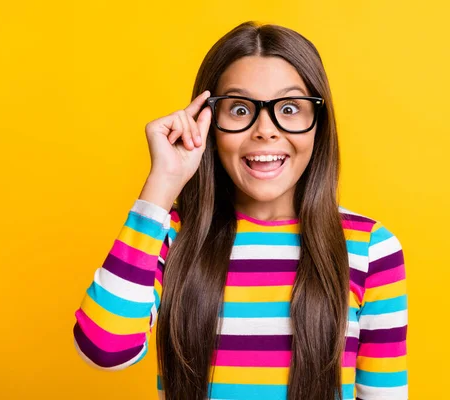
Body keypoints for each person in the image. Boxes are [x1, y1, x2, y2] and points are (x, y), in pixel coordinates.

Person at [73, 20, 408, 400]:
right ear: (208, 123)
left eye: (289, 108)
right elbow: (105, 349)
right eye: (238, 109)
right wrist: (163, 184)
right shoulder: (171, 235)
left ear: (319, 122)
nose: (265, 130)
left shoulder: (370, 248)